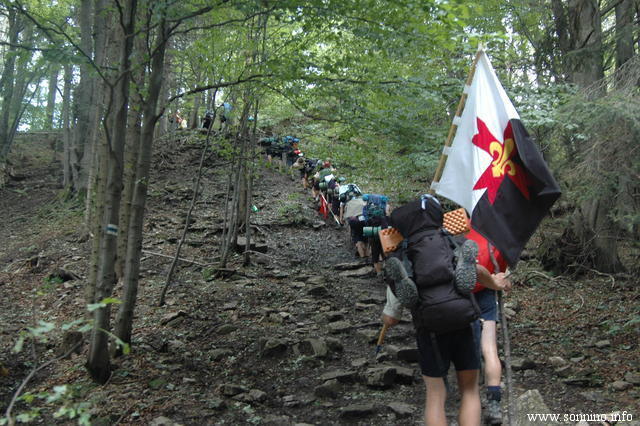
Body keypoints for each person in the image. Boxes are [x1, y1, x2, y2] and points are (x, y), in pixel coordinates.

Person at [465, 228, 512, 425]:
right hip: (487, 291)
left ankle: (470, 401)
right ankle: (494, 405)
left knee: (465, 348)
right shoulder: (500, 232)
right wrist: (502, 280)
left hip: (461, 293)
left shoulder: (460, 226)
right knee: (490, 349)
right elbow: (504, 274)